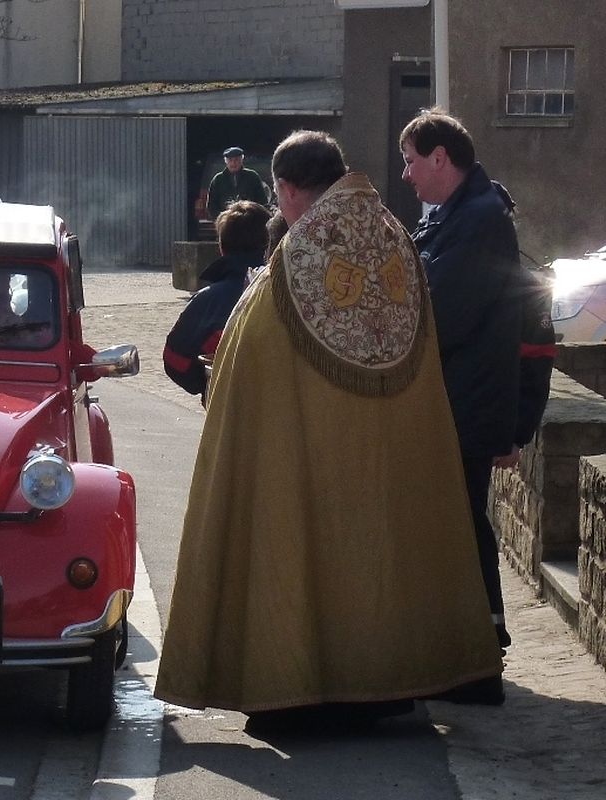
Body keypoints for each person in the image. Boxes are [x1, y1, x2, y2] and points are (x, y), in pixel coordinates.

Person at [154, 130, 504, 729]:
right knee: (380, 555)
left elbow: (250, 361)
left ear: (287, 189)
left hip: (305, 455)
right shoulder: (396, 238)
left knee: (299, 550)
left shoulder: (295, 258)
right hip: (390, 454)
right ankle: (387, 685)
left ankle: (300, 686)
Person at [400, 109, 555, 663]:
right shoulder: (458, 216)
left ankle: (479, 651)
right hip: (458, 400)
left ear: (440, 158)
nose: (406, 174)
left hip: (465, 405)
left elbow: (442, 313)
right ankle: (471, 645)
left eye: (411, 161)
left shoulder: (479, 219)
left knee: (460, 523)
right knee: (457, 521)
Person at [163, 200, 272, 398]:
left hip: (226, 406)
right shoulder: (294, 291)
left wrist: (206, 382)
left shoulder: (206, 301)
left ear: (221, 247)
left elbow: (175, 361)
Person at [204, 147, 269, 221]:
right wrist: (221, 220)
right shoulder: (218, 179)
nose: (233, 163)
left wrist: (255, 219)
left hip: (249, 221)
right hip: (225, 222)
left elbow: (262, 201)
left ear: (241, 160)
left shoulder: (252, 177)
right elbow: (211, 205)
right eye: (230, 160)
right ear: (226, 161)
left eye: (236, 160)